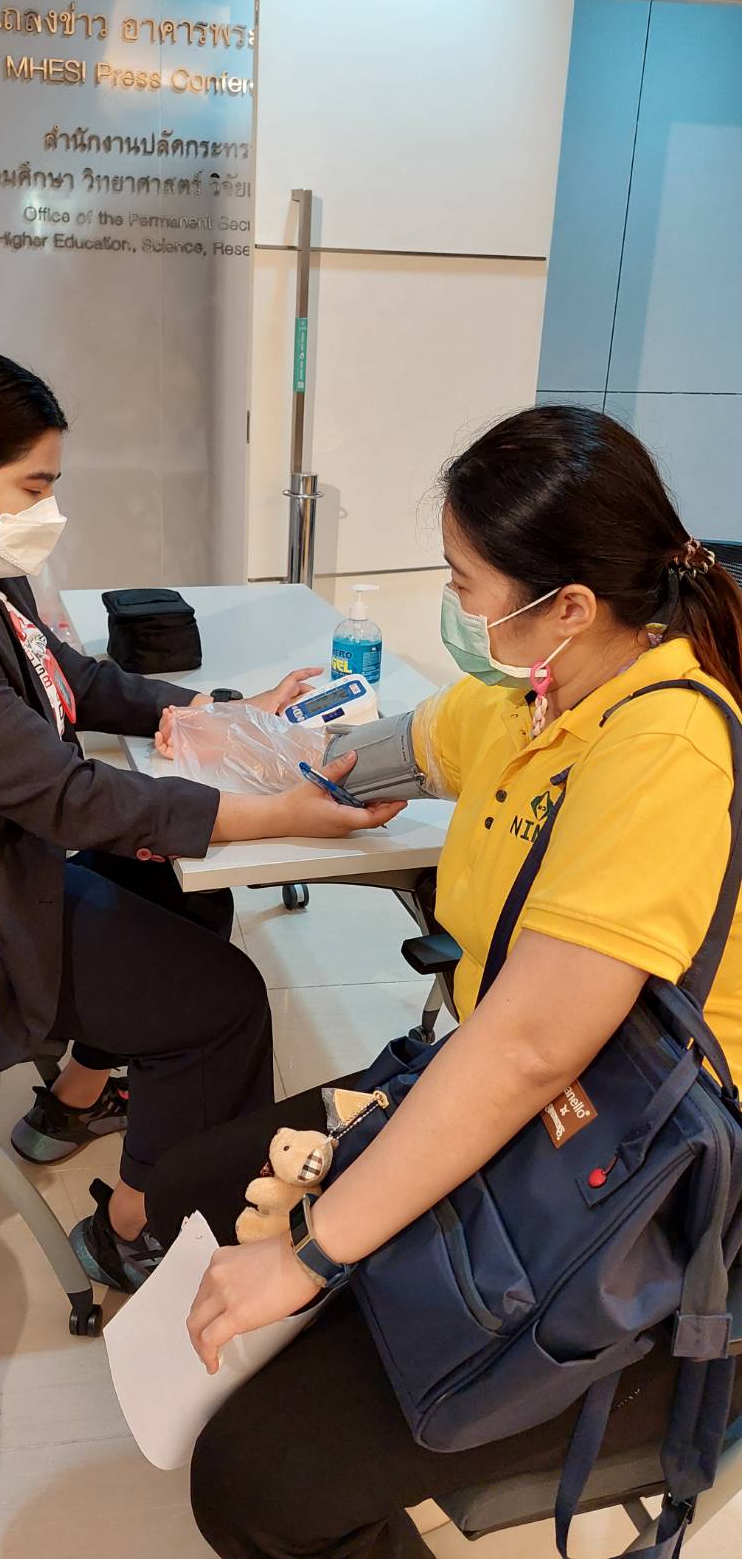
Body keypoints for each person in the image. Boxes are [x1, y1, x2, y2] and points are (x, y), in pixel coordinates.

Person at [140, 406, 742, 1559]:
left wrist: (312, 1253)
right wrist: (255, 742)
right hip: (531, 1114)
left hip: (634, 1182)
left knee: (254, 1486)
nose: (456, 607)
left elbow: (530, 1050)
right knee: (191, 1194)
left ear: (568, 605)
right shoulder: (543, 698)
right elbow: (391, 749)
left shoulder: (664, 746)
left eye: (467, 584)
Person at [0, 348, 403, 1291]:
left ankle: (73, 1101)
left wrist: (209, 712)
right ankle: (135, 1231)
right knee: (222, 1002)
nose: (48, 509)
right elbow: (68, 797)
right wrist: (274, 813)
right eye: (35, 486)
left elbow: (63, 676)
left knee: (182, 895)